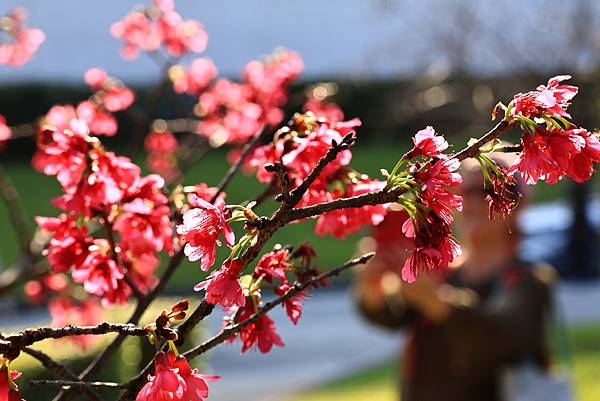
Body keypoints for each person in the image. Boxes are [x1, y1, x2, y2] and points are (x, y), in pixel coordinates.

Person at [354, 156, 557, 401]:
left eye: (487, 191)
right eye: (465, 191)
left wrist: (438, 303)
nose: (472, 201)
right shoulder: (444, 273)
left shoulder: (530, 279)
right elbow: (394, 316)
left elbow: (508, 338)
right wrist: (373, 290)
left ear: (519, 205)